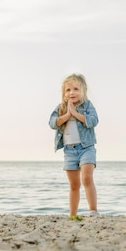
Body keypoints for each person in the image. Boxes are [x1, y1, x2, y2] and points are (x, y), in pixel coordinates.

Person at [48, 73, 99, 217]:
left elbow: (94, 121)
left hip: (86, 148)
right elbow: (52, 123)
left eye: (76, 89)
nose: (72, 93)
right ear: (64, 94)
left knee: (87, 178)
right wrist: (67, 115)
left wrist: (76, 114)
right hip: (69, 151)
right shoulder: (61, 108)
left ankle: (93, 211)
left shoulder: (88, 105)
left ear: (83, 91)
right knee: (74, 185)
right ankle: (73, 215)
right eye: (68, 90)